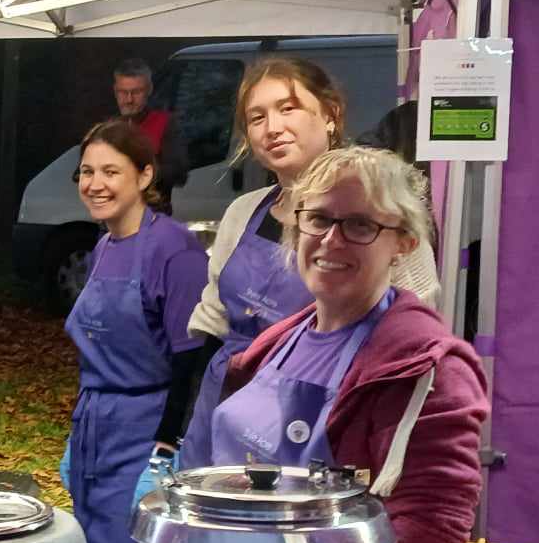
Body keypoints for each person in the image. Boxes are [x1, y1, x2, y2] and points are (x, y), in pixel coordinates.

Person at [179, 145, 488, 543]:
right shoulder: (279, 342)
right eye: (318, 219)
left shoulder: (425, 365)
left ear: (404, 243)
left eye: (361, 224)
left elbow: (434, 527)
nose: (331, 240)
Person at [59, 120, 209, 543]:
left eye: (111, 172)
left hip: (147, 428)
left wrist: (166, 448)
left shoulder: (174, 249)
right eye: (88, 172)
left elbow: (191, 357)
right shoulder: (101, 245)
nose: (96, 184)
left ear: (145, 175)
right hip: (99, 422)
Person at [186, 56, 439, 372]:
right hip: (225, 398)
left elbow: (415, 339)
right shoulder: (242, 212)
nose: (273, 128)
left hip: (322, 406)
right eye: (257, 118)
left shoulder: (382, 214)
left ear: (331, 114)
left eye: (288, 108)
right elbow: (213, 319)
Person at [110, 59, 188, 204]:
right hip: (116, 217)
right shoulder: (107, 128)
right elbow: (81, 173)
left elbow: (178, 174)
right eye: (123, 92)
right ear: (115, 91)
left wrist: (136, 171)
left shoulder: (165, 123)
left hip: (153, 215)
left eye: (136, 92)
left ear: (149, 90)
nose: (129, 100)